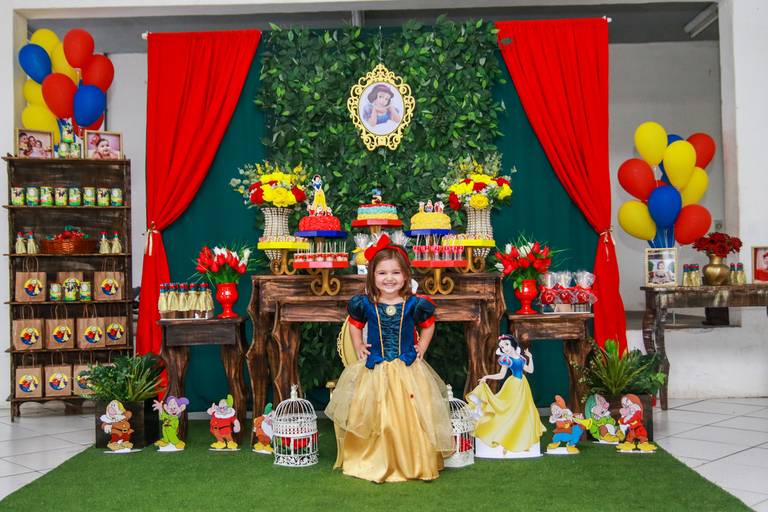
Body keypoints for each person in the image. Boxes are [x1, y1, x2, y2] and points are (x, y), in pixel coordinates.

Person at [325, 234, 452, 483]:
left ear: (405, 276)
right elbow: (355, 324)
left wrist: (422, 346)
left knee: (410, 416)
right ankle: (375, 459)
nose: (389, 278)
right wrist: (359, 344)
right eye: (382, 273)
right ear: (372, 276)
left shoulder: (414, 304)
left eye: (395, 272)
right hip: (376, 367)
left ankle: (413, 460)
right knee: (376, 415)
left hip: (407, 367)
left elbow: (428, 325)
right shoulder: (366, 304)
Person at [466, 335, 544, 453]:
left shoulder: (521, 358)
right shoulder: (506, 360)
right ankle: (505, 441)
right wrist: (487, 377)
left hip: (523, 385)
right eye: (502, 347)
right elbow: (501, 375)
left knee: (523, 411)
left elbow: (530, 370)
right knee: (510, 411)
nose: (505, 348)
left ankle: (520, 441)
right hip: (513, 385)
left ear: (513, 344)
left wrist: (530, 357)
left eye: (506, 344)